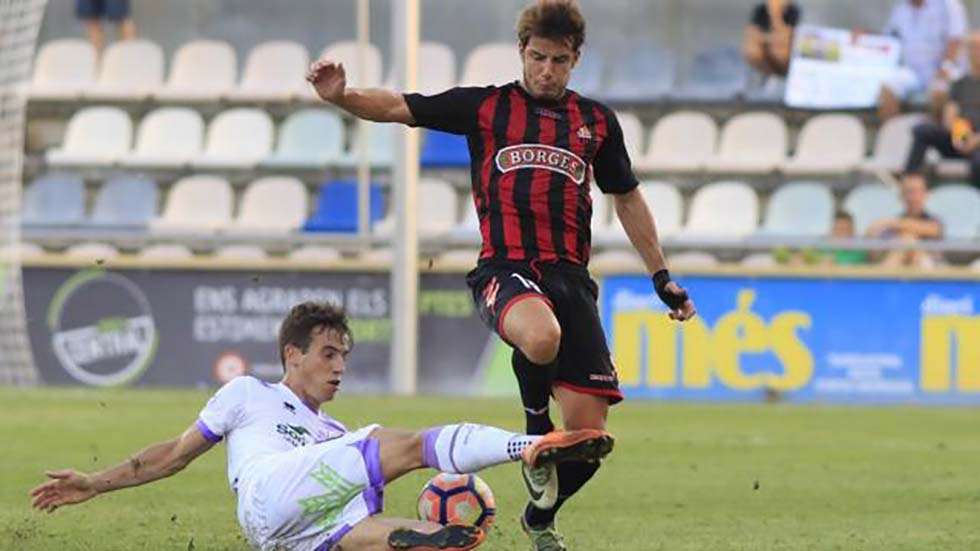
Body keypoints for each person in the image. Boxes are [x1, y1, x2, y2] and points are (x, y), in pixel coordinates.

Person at [305, 1, 696, 549]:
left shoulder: (597, 122)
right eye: (538, 57)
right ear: (522, 52)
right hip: (505, 268)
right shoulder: (486, 107)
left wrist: (662, 277)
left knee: (588, 443)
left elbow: (627, 199)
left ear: (575, 59)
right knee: (541, 337)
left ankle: (541, 513)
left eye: (559, 61)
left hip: (571, 280)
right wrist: (342, 97)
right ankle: (535, 430)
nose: (546, 70)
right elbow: (399, 105)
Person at [29, 301, 614, 551]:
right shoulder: (249, 394)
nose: (340, 366)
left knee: (388, 527)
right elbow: (175, 454)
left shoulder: (331, 434)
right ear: (292, 355)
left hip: (288, 537)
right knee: (401, 446)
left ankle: (420, 539)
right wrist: (95, 483)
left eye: (344, 356)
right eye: (328, 354)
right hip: (264, 489)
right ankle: (532, 444)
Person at [906, 31, 980, 186]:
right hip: (960, 138)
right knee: (922, 131)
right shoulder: (960, 84)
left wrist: (975, 140)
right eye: (972, 47)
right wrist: (962, 137)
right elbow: (950, 115)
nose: (976, 52)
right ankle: (911, 184)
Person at [877, 0, 968, 121]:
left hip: (944, 70)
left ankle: (936, 136)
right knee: (887, 89)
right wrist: (865, 35)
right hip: (913, 71)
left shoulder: (948, 4)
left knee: (939, 94)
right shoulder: (900, 8)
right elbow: (889, 37)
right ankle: (893, 135)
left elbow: (956, 38)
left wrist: (946, 66)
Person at [866, 174, 944, 267]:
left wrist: (890, 223)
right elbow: (872, 239)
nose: (913, 197)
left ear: (926, 194)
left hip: (930, 275)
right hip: (898, 271)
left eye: (918, 191)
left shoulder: (934, 221)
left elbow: (932, 229)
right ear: (901, 195)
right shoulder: (892, 225)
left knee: (908, 242)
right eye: (909, 191)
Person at [743, 0, 802, 78]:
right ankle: (767, 74)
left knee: (780, 49)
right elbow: (751, 32)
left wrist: (776, 15)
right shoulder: (761, 9)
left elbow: (787, 36)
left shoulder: (792, 10)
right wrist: (771, 39)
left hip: (782, 51)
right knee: (753, 48)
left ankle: (780, 75)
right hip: (767, 46)